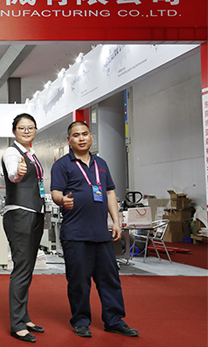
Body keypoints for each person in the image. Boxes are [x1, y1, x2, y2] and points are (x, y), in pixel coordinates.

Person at [50, 121, 139, 338]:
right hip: (75, 234)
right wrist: (62, 200)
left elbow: (109, 193)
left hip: (100, 233)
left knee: (110, 279)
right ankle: (81, 321)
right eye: (76, 135)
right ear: (69, 140)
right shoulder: (62, 165)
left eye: (85, 134)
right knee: (79, 282)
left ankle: (114, 320)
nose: (81, 138)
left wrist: (116, 222)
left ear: (91, 137)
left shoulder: (101, 163)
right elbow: (55, 192)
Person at [1, 113, 45, 343]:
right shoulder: (12, 153)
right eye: (22, 128)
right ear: (14, 131)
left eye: (30, 127)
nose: (26, 131)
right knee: (21, 268)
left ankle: (24, 317)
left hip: (34, 212)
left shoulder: (32, 154)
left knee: (27, 268)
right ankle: (17, 324)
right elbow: (13, 174)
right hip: (20, 214)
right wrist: (17, 173)